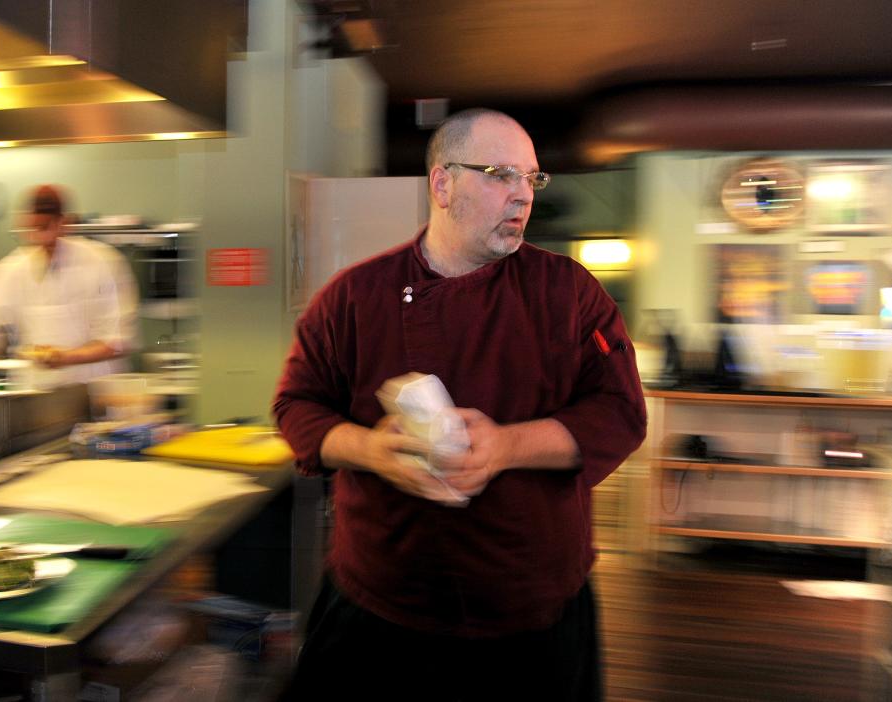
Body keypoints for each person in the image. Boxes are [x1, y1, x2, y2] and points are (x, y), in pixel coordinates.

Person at [272, 109, 646, 700]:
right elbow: (298, 407)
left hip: (532, 610)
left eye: (532, 179)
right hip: (382, 603)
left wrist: (505, 445)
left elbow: (620, 412)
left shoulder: (569, 292)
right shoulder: (353, 296)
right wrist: (371, 449)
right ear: (442, 184)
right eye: (501, 174)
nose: (522, 196)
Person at [0, 184, 138, 388]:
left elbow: (117, 342)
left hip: (97, 394)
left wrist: (64, 357)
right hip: (37, 396)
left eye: (46, 227)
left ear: (65, 223)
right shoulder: (10, 271)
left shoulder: (102, 263)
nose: (40, 238)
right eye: (32, 229)